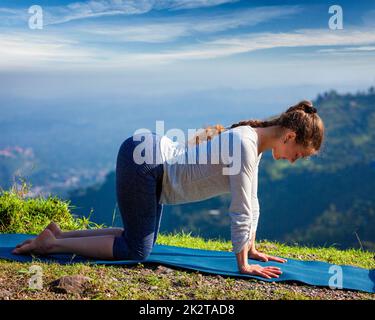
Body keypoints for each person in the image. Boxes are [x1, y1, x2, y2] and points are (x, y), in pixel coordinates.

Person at [13, 100, 324, 279]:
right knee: (136, 249)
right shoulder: (245, 144)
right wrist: (242, 263)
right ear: (290, 136)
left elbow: (251, 201)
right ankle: (51, 247)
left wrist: (251, 247)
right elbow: (241, 207)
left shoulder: (250, 140)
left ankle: (55, 236)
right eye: (299, 154)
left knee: (133, 237)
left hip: (148, 154)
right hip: (147, 163)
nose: (295, 161)